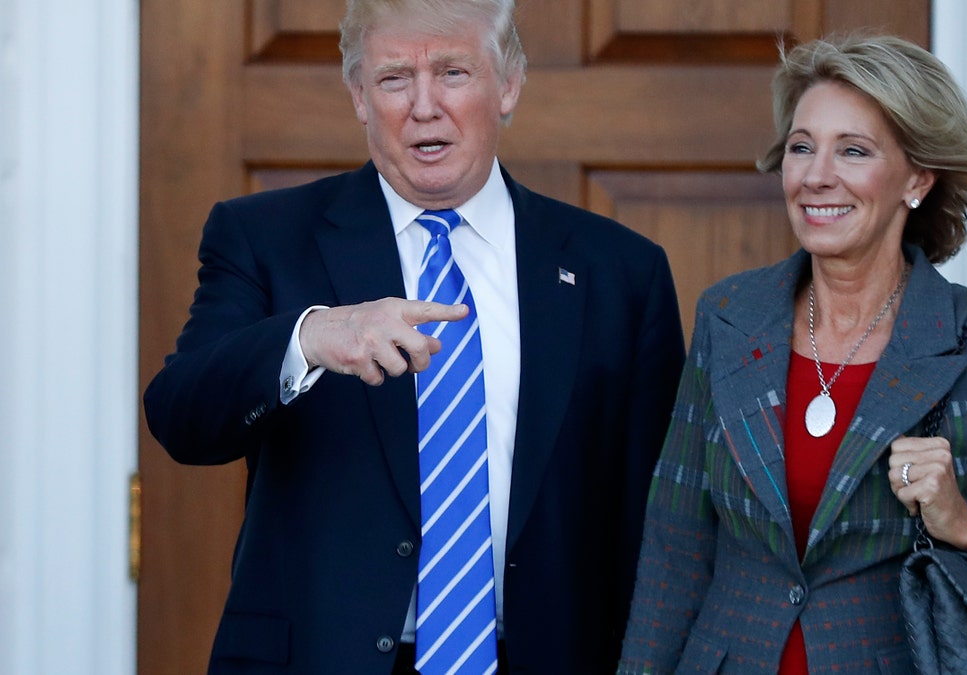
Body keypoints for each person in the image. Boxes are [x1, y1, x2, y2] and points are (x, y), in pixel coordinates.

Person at [142, 0, 685, 672]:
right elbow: (180, 414)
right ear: (359, 98)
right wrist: (310, 337)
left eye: (454, 72)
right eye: (395, 78)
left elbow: (661, 527)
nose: (423, 106)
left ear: (509, 84)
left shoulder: (620, 271)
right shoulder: (265, 239)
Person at [618, 34, 967, 673]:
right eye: (802, 147)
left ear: (917, 178)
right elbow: (676, 550)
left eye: (853, 151)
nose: (815, 175)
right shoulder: (729, 317)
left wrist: (966, 523)